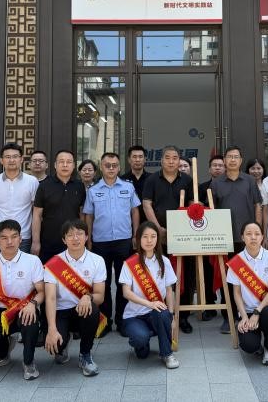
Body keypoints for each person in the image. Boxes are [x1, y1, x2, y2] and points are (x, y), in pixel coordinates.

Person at [0, 219, 45, 380]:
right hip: (0, 313)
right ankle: (4, 348)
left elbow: (41, 292)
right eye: (4, 238)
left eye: (14, 236)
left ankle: (28, 362)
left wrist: (33, 304)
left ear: (21, 239)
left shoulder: (32, 261)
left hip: (25, 309)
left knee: (30, 320)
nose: (9, 242)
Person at [83, 152, 140, 337]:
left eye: (114, 165)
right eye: (107, 165)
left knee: (123, 282)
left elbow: (135, 211)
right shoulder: (93, 190)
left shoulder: (128, 187)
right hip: (101, 242)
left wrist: (135, 235)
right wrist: (88, 239)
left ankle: (123, 321)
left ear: (119, 167)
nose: (111, 168)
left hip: (124, 240)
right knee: (103, 283)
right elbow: (89, 215)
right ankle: (105, 321)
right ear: (101, 167)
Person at [44, 219, 106, 377]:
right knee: (55, 347)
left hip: (83, 310)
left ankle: (85, 354)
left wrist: (88, 297)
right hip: (61, 312)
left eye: (79, 234)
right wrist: (51, 329)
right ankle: (63, 343)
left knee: (93, 309)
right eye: (70, 235)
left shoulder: (97, 261)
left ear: (87, 237)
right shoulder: (53, 263)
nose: (75, 238)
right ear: (64, 239)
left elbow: (100, 296)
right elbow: (50, 298)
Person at [142, 145, 194, 333]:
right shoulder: (152, 180)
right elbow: (147, 204)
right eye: (167, 158)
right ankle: (162, 314)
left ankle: (184, 317)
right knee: (160, 273)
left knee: (186, 274)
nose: (171, 161)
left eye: (175, 158)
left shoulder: (187, 180)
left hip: (183, 236)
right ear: (161, 160)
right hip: (159, 236)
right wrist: (158, 229)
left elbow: (192, 205)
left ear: (179, 160)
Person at [211, 146, 263, 333]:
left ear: (241, 160)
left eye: (236, 157)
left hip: (247, 239)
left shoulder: (249, 181)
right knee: (228, 280)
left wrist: (258, 231)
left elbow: (258, 206)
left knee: (249, 277)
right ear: (224, 160)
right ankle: (229, 317)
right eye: (229, 157)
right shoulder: (216, 183)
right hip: (225, 239)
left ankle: (250, 314)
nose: (232, 160)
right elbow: (211, 210)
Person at [119, 221, 179, 369]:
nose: (149, 240)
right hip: (134, 315)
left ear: (158, 239)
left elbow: (169, 290)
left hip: (155, 313)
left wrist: (172, 316)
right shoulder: (129, 263)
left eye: (153, 236)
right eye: (145, 236)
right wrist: (150, 303)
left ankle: (167, 354)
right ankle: (140, 342)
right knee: (141, 343)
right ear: (138, 239)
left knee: (164, 314)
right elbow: (126, 292)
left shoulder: (164, 261)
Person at [227, 221, 268, 365]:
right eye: (248, 234)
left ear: (262, 237)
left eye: (257, 234)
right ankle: (257, 345)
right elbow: (237, 293)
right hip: (247, 311)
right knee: (249, 346)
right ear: (242, 237)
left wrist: (257, 312)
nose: (253, 237)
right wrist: (244, 317)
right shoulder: (236, 261)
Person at [0, 143, 39, 256]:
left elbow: (35, 210)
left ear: (21, 159)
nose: (11, 160)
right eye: (7, 157)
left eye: (15, 156)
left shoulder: (32, 181)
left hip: (23, 237)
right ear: (1, 160)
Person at [32, 149, 86, 263]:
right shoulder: (44, 186)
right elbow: (37, 215)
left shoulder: (79, 186)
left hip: (73, 241)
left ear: (73, 166)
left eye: (69, 162)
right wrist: (36, 242)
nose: (65, 165)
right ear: (55, 165)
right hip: (49, 242)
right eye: (61, 161)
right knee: (48, 273)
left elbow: (82, 214)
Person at [198, 154, 225, 320]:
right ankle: (209, 305)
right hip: (206, 236)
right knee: (207, 271)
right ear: (209, 169)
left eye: (220, 165)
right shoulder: (202, 187)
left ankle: (226, 306)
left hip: (224, 235)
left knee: (224, 271)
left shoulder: (229, 186)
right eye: (214, 165)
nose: (217, 168)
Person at [121, 145, 151, 222]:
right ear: (129, 160)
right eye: (134, 157)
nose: (137, 160)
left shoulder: (152, 179)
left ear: (145, 159)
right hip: (127, 223)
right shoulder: (121, 180)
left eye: (140, 157)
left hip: (149, 222)